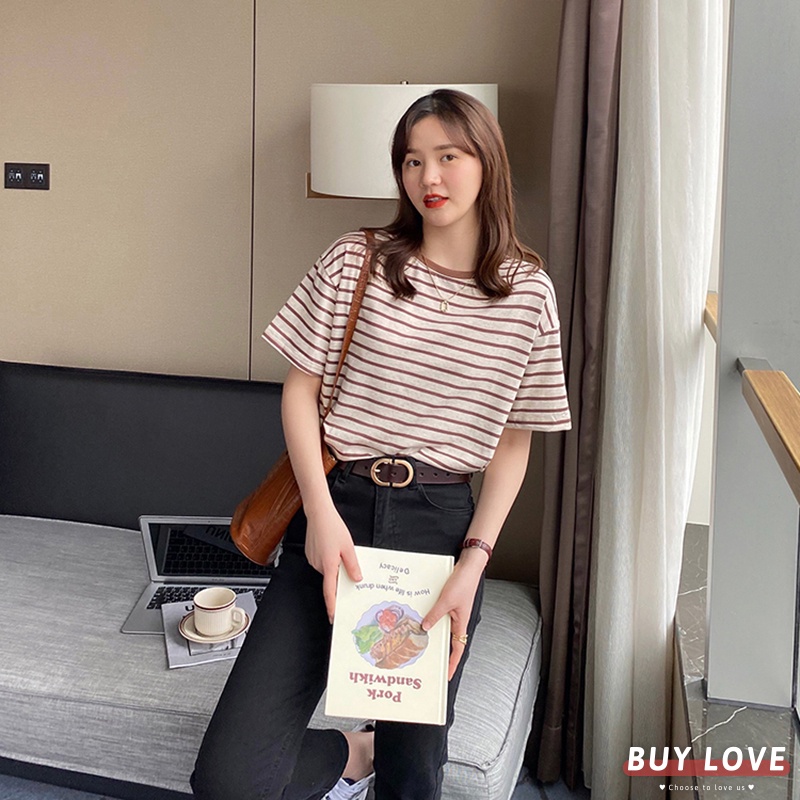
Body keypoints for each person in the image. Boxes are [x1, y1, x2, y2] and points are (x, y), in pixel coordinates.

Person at [191, 88, 571, 800]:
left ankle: (382, 755)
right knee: (228, 780)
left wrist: (474, 561)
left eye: (449, 156)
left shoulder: (527, 293)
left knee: (413, 774)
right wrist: (319, 515)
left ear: (487, 162)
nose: (430, 177)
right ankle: (348, 753)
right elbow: (300, 391)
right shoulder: (356, 259)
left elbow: (513, 444)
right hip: (335, 508)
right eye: (412, 160)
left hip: (439, 527)